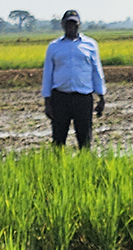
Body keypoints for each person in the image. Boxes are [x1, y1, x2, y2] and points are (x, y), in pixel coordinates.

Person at [41, 10, 106, 149]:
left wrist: (101, 96)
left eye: (74, 24)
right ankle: (57, 167)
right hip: (60, 97)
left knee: (85, 139)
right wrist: (47, 100)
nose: (71, 27)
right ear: (62, 25)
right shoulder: (54, 47)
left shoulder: (90, 45)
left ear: (79, 25)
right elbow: (47, 74)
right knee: (58, 139)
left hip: (83, 98)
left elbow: (97, 71)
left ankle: (85, 166)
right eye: (68, 23)